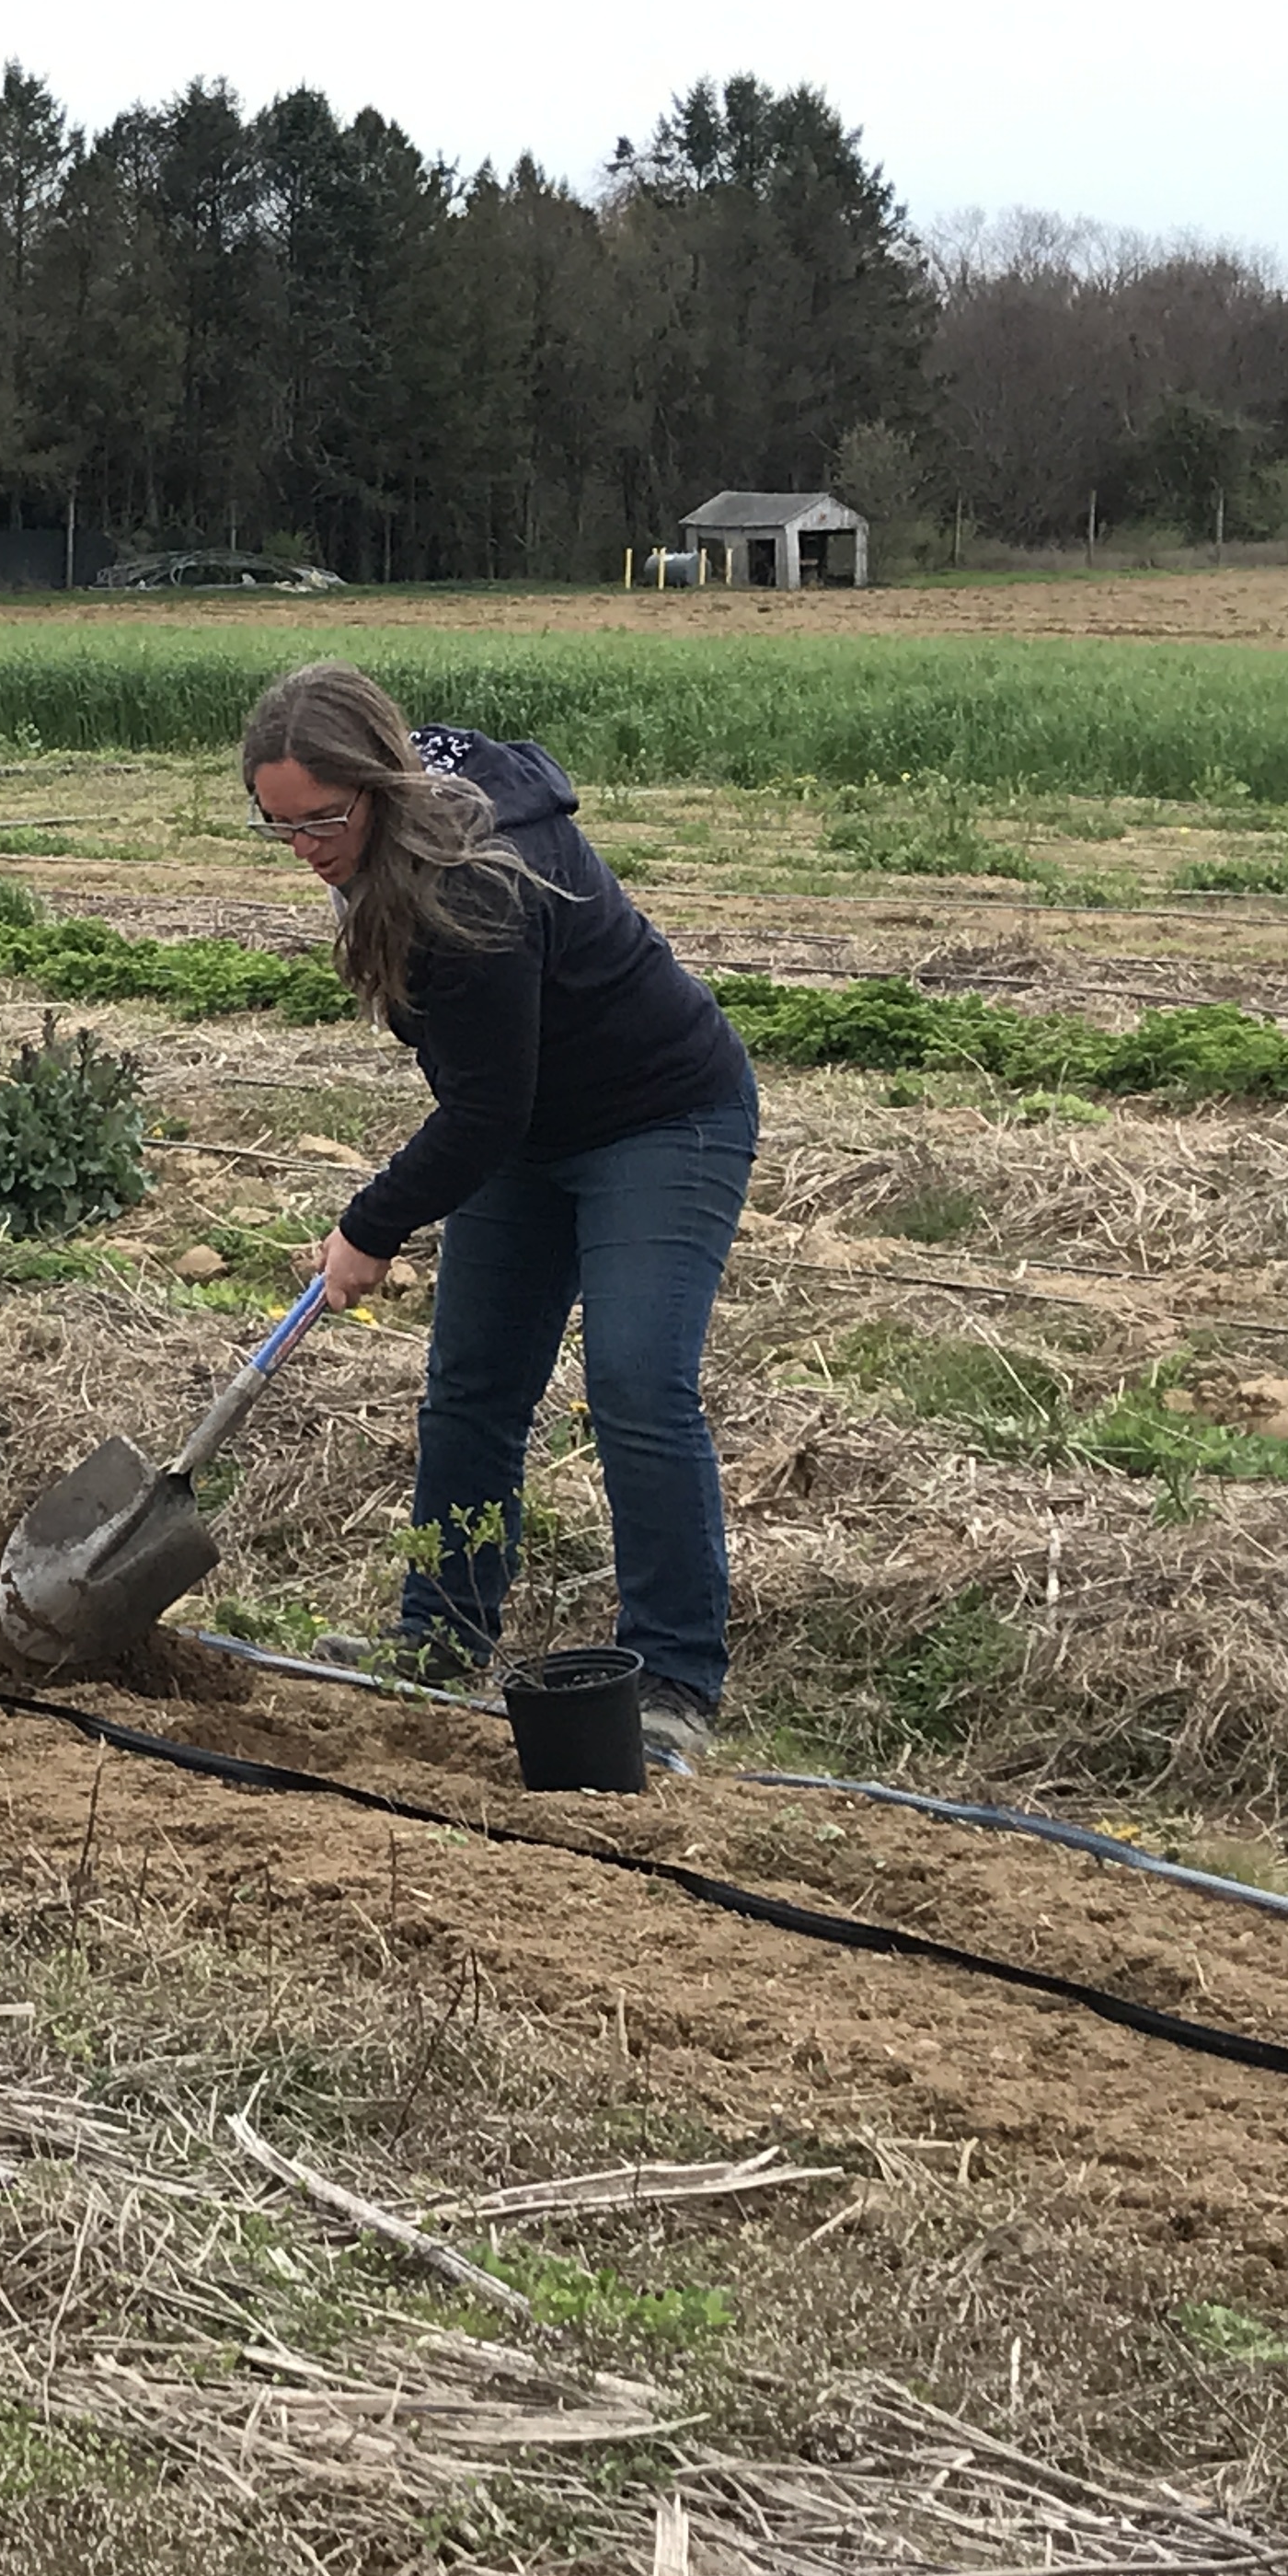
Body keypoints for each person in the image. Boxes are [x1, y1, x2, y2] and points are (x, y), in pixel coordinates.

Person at [245, 660, 758, 1756]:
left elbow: (484, 1108)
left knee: (634, 1381)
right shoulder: (371, 840)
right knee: (472, 1388)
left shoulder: (477, 875)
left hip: (658, 1119)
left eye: (321, 822)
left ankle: (672, 1682)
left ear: (378, 787)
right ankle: (437, 1640)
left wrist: (370, 1225)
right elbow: (494, 1108)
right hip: (526, 1131)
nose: (306, 851)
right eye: (278, 828)